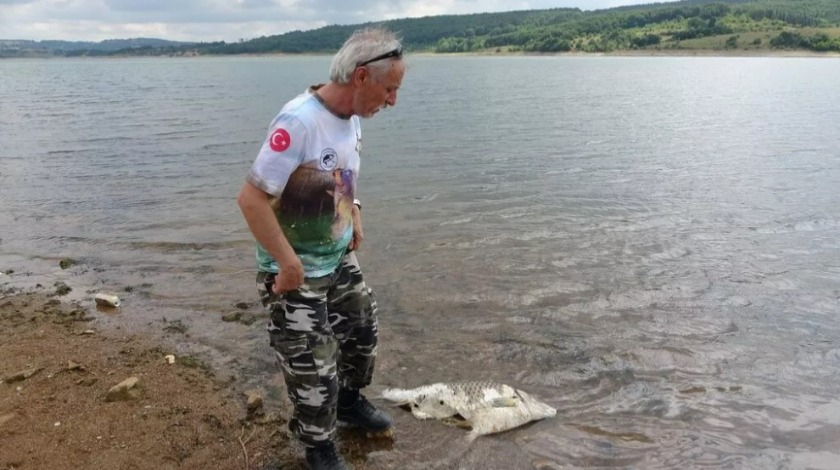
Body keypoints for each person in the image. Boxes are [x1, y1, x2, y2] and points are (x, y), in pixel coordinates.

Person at [237, 28, 405, 470]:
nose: (392, 101)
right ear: (362, 77)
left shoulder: (349, 121)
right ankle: (318, 445)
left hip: (335, 256)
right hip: (294, 268)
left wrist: (356, 217)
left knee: (362, 332)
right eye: (390, 89)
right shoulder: (298, 121)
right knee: (313, 365)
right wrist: (287, 264)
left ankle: (348, 404)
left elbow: (343, 175)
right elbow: (251, 199)